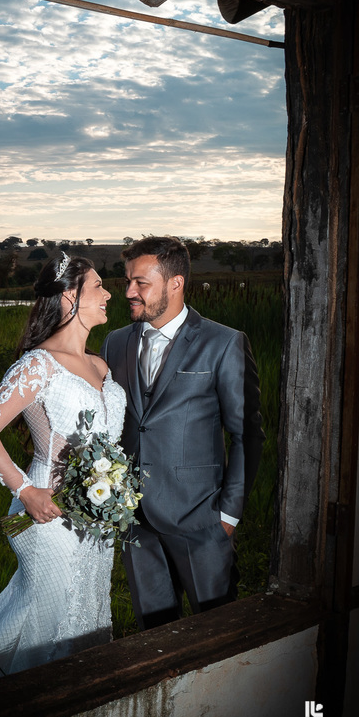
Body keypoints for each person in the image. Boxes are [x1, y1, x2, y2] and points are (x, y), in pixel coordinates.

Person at [0, 253, 123, 689]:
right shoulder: (38, 364)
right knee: (45, 613)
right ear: (69, 296)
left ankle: (73, 705)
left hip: (97, 519)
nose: (109, 293)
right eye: (99, 286)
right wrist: (26, 492)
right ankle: (12, 706)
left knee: (86, 608)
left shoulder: (101, 366)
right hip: (48, 513)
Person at [100, 236, 264, 630]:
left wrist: (228, 513)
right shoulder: (116, 342)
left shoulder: (224, 343)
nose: (129, 292)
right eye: (127, 281)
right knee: (154, 631)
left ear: (175, 283)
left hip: (200, 517)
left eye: (141, 282)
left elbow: (247, 434)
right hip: (135, 520)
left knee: (218, 629)